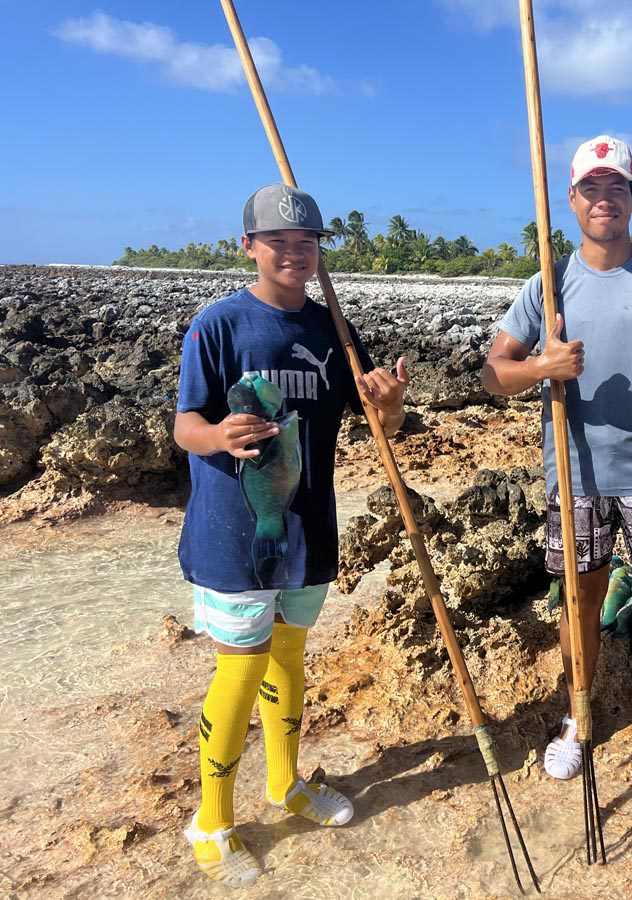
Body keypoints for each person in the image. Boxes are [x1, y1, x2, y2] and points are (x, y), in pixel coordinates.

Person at [174, 184, 407, 886]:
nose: (295, 251)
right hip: (231, 533)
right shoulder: (216, 326)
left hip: (308, 528)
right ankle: (210, 821)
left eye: (307, 242)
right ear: (249, 245)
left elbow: (381, 428)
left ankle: (285, 786)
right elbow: (185, 425)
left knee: (288, 659)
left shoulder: (333, 330)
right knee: (240, 668)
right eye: (279, 240)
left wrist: (391, 406)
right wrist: (218, 434)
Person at [482, 135, 632, 781]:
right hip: (577, 470)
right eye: (591, 188)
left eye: (615, 187)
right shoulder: (549, 283)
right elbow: (493, 372)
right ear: (572, 199)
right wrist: (542, 366)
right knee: (581, 603)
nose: (603, 199)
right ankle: (577, 715)